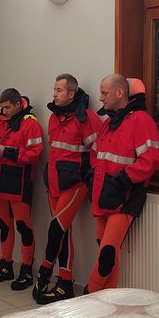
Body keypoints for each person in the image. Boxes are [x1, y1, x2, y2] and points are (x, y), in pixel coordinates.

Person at [85, 75, 159, 293]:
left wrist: (124, 179)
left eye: (105, 93)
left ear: (120, 92)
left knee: (107, 255)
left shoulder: (140, 120)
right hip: (104, 195)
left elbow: (153, 158)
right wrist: (92, 178)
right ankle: (107, 304)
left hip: (125, 196)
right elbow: (96, 156)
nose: (100, 98)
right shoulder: (109, 123)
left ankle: (88, 298)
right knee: (106, 252)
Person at [33, 74, 101, 304]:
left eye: (59, 90)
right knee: (64, 233)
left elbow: (97, 150)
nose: (54, 94)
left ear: (71, 94)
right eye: (54, 89)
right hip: (54, 183)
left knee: (55, 230)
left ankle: (44, 272)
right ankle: (64, 283)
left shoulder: (86, 117)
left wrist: (90, 178)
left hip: (75, 184)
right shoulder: (53, 118)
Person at [0, 89, 44, 290]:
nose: (5, 111)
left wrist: (7, 151)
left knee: (23, 228)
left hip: (20, 183)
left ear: (18, 104)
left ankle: (26, 270)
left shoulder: (31, 125)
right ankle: (6, 265)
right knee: (4, 225)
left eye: (8, 107)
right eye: (2, 107)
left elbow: (35, 154)